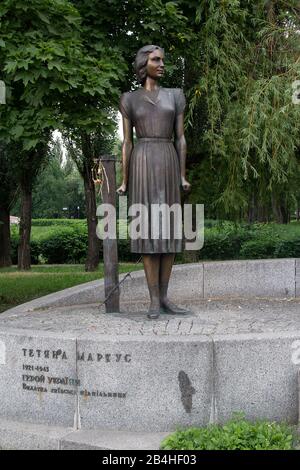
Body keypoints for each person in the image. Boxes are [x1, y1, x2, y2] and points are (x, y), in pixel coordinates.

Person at [117, 45, 191, 320]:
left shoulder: (176, 96)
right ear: (142, 64)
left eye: (163, 60)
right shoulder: (129, 100)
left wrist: (182, 174)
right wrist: (124, 181)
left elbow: (181, 137)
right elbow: (127, 142)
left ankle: (165, 297)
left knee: (169, 232)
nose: (161, 64)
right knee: (148, 232)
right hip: (143, 163)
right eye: (155, 60)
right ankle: (153, 299)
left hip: (168, 160)